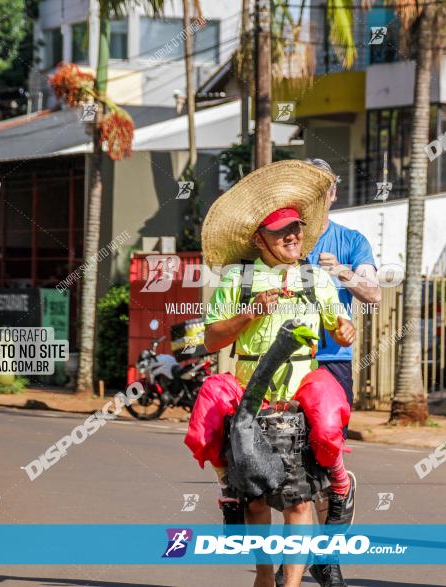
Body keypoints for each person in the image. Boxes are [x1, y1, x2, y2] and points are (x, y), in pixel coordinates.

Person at [184, 160, 356, 587]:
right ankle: (262, 570)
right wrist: (248, 314)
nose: (293, 237)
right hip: (250, 397)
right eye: (282, 232)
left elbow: (342, 329)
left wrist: (346, 329)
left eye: (296, 228)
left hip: (299, 396)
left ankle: (338, 485)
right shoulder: (239, 281)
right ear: (260, 238)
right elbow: (209, 341)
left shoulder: (317, 279)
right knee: (253, 500)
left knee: (300, 499)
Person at [304, 158, 382, 413]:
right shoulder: (284, 241)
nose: (316, 195)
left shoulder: (352, 241)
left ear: (333, 193)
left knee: (332, 437)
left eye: (323, 188)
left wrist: (340, 270)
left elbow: (373, 294)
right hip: (288, 357)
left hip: (333, 358)